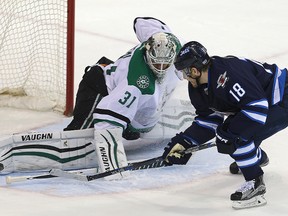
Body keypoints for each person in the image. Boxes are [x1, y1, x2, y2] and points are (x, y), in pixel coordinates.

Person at [161, 41, 288, 209]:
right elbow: (209, 120)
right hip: (264, 102)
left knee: (233, 137)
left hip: (282, 98)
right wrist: (186, 142)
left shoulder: (228, 76)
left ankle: (255, 184)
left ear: (194, 70)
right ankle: (255, 157)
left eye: (185, 72)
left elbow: (257, 109)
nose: (184, 77)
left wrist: (230, 136)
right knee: (231, 135)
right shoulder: (198, 86)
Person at [64, 17, 183, 178]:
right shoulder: (137, 84)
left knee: (131, 132)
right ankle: (66, 147)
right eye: (156, 64)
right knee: (80, 134)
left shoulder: (169, 42)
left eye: (165, 64)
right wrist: (113, 166)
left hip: (119, 76)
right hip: (99, 86)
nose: (161, 69)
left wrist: (159, 33)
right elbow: (107, 118)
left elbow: (140, 21)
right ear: (148, 53)